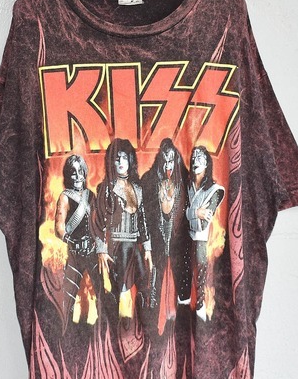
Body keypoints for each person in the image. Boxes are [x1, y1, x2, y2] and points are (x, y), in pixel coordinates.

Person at [93, 138, 153, 318]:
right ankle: (119, 323)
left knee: (144, 284)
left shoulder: (137, 188)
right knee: (120, 289)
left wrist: (147, 248)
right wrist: (101, 250)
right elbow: (98, 221)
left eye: (124, 158)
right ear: (111, 161)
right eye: (117, 158)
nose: (120, 162)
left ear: (130, 160)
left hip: (134, 245)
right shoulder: (105, 188)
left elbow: (142, 220)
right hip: (116, 246)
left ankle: (139, 321)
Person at [141, 138, 192, 332]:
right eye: (165, 160)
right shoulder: (149, 180)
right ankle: (152, 327)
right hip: (157, 242)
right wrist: (147, 242)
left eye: (171, 160)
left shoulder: (186, 181)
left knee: (184, 287)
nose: (168, 165)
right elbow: (143, 215)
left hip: (180, 243)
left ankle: (184, 327)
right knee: (154, 284)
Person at [54, 154, 101, 329]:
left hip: (93, 252)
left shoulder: (91, 196)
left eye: (80, 172)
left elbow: (98, 223)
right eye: (73, 172)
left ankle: (101, 329)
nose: (77, 176)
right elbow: (59, 227)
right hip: (75, 253)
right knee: (69, 295)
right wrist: (71, 241)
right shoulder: (65, 197)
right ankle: (66, 330)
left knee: (101, 291)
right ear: (68, 175)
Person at [186, 145, 225, 321]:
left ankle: (200, 305)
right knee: (184, 275)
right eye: (194, 157)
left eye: (200, 157)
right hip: (184, 238)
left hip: (201, 240)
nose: (196, 161)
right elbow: (178, 214)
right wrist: (195, 212)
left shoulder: (215, 190)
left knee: (200, 272)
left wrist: (188, 214)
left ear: (207, 163)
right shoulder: (186, 186)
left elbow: (202, 223)